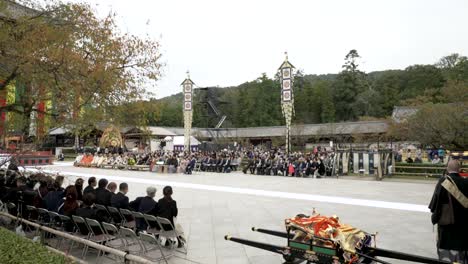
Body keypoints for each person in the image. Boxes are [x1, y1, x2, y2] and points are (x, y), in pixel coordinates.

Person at [429, 160, 468, 262]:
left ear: (447, 169)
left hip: (446, 227)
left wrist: (435, 218)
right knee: (461, 255)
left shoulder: (443, 182)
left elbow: (434, 205)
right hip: (463, 228)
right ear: (459, 169)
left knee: (446, 256)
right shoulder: (466, 182)